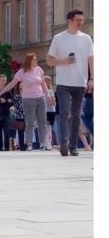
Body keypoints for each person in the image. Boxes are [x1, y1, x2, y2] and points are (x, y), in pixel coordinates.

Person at [47, 9, 94, 156]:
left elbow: (91, 59)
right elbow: (49, 60)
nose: (80, 23)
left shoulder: (86, 38)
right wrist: (64, 61)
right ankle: (64, 144)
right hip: (63, 83)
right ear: (70, 21)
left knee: (76, 115)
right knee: (65, 112)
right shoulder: (59, 38)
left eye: (82, 20)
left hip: (80, 82)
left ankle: (73, 146)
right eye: (77, 20)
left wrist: (92, 79)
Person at [0, 53, 50, 151]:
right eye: (35, 60)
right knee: (29, 122)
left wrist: (48, 95)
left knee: (42, 121)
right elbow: (11, 84)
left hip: (40, 98)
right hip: (28, 99)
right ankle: (29, 144)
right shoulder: (21, 72)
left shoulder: (39, 70)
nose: (37, 61)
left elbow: (43, 83)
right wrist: (0, 93)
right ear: (29, 61)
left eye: (36, 60)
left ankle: (43, 143)